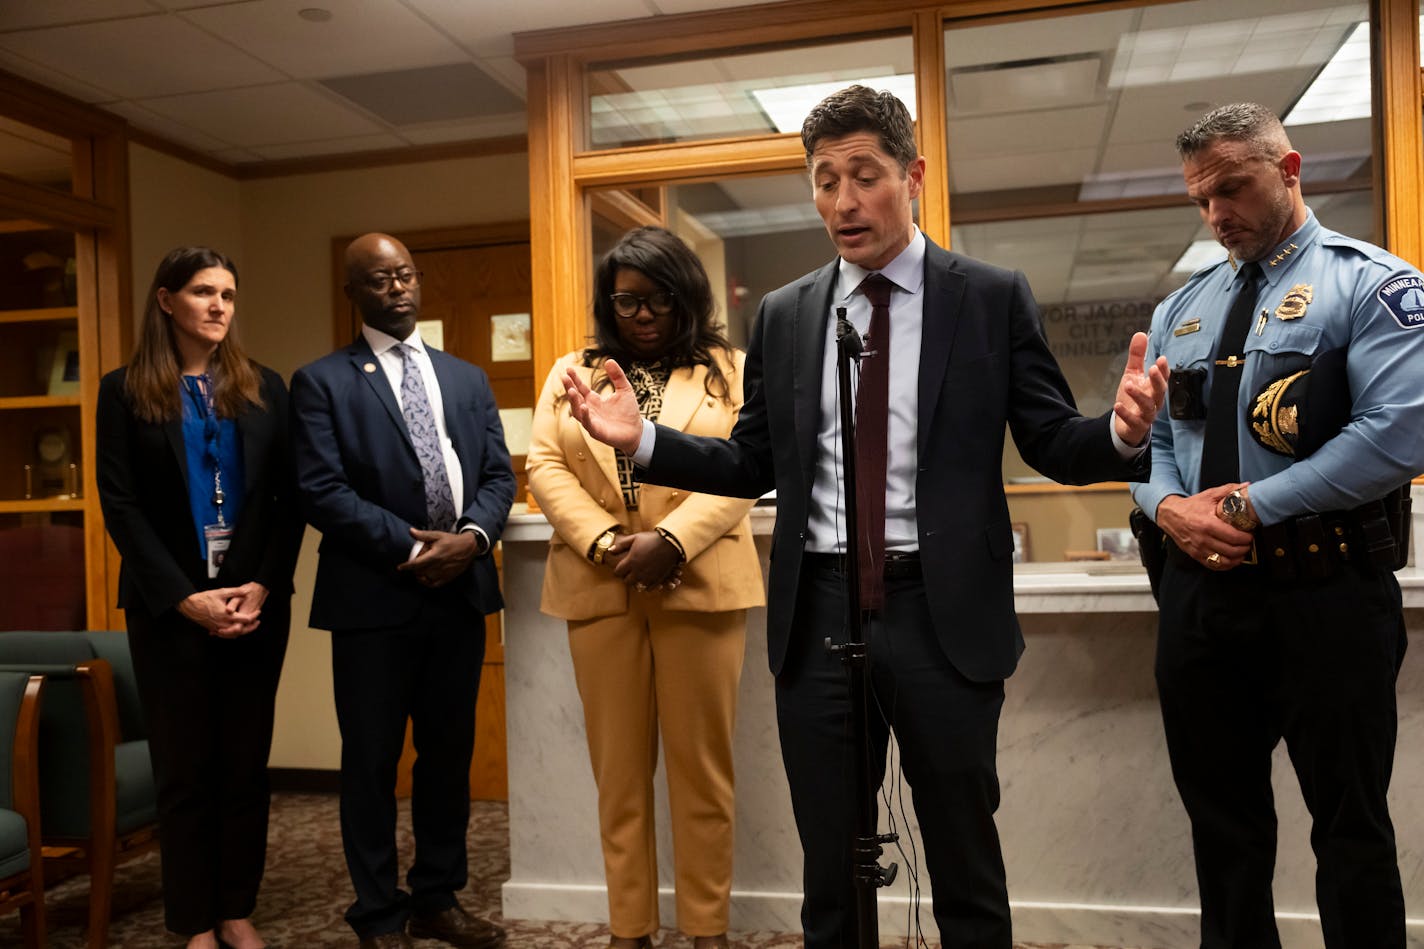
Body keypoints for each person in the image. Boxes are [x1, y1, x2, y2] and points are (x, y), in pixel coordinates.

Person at [563, 85, 1168, 948]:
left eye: (865, 175)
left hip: (941, 614)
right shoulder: (787, 312)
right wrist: (647, 441)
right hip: (819, 612)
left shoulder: (989, 297)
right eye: (823, 180)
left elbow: (1049, 440)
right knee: (833, 872)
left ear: (912, 175)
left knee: (964, 856)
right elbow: (751, 461)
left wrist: (1120, 431)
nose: (843, 202)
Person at [1130, 102, 1424, 947]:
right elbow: (1155, 446)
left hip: (1325, 595)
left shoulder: (1371, 284)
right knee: (1223, 836)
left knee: (1351, 830)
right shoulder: (1186, 308)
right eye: (1200, 199)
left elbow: (1397, 436)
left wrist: (1250, 504)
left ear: (1289, 171)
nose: (1217, 214)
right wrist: (1169, 507)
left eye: (1232, 188)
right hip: (1202, 602)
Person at [527, 226, 765, 949]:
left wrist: (671, 540)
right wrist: (606, 543)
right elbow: (544, 464)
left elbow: (748, 468)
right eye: (626, 300)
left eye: (659, 297)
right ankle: (629, 930)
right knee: (619, 776)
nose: (642, 314)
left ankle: (707, 930)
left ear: (687, 294)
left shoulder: (734, 369)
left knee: (703, 775)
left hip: (701, 583)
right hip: (600, 590)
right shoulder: (574, 370)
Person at [290, 233, 515, 949]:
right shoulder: (323, 381)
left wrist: (473, 539)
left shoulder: (466, 377)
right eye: (380, 280)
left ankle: (437, 897)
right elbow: (320, 489)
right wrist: (415, 547)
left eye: (406, 275)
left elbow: (499, 477)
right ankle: (377, 911)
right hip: (373, 597)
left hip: (459, 592)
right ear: (353, 292)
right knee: (372, 758)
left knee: (448, 755)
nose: (398, 289)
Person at [96, 247, 302, 949]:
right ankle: (191, 921)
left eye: (228, 295)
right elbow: (120, 506)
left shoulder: (266, 387)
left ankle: (235, 907)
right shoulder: (122, 391)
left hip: (253, 605)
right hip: (168, 612)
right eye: (202, 292)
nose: (218, 306)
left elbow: (285, 500)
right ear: (165, 301)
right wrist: (185, 598)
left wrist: (260, 584)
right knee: (184, 770)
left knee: (245, 763)